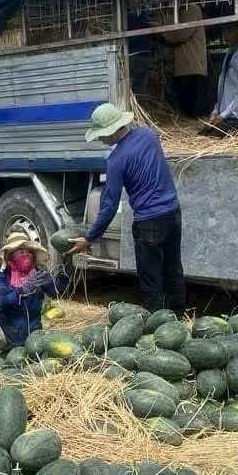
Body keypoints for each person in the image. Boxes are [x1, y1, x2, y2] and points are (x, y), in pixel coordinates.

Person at [67, 103, 186, 317]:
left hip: (148, 223)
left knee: (152, 282)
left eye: (102, 135)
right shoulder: (149, 135)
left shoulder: (116, 160)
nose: (101, 140)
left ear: (112, 131)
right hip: (173, 214)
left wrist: (89, 238)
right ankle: (179, 317)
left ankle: (157, 327)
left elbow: (109, 206)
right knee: (173, 270)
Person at [0, 232, 69, 352]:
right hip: (6, 337)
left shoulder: (38, 276)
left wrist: (66, 266)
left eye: (28, 251)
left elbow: (57, 288)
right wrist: (22, 290)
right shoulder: (1, 277)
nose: (25, 254)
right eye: (21, 251)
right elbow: (3, 302)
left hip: (32, 339)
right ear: (11, 256)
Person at [201, 21, 238, 137]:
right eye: (223, 31)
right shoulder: (229, 54)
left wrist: (223, 115)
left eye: (229, 30)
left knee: (213, 136)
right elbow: (222, 89)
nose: (225, 35)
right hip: (228, 116)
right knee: (203, 134)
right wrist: (216, 110)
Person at [159, 1, 209, 118]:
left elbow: (179, 35)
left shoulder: (192, 8)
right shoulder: (182, 11)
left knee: (195, 113)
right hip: (184, 70)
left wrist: (160, 27)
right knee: (186, 112)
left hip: (193, 69)